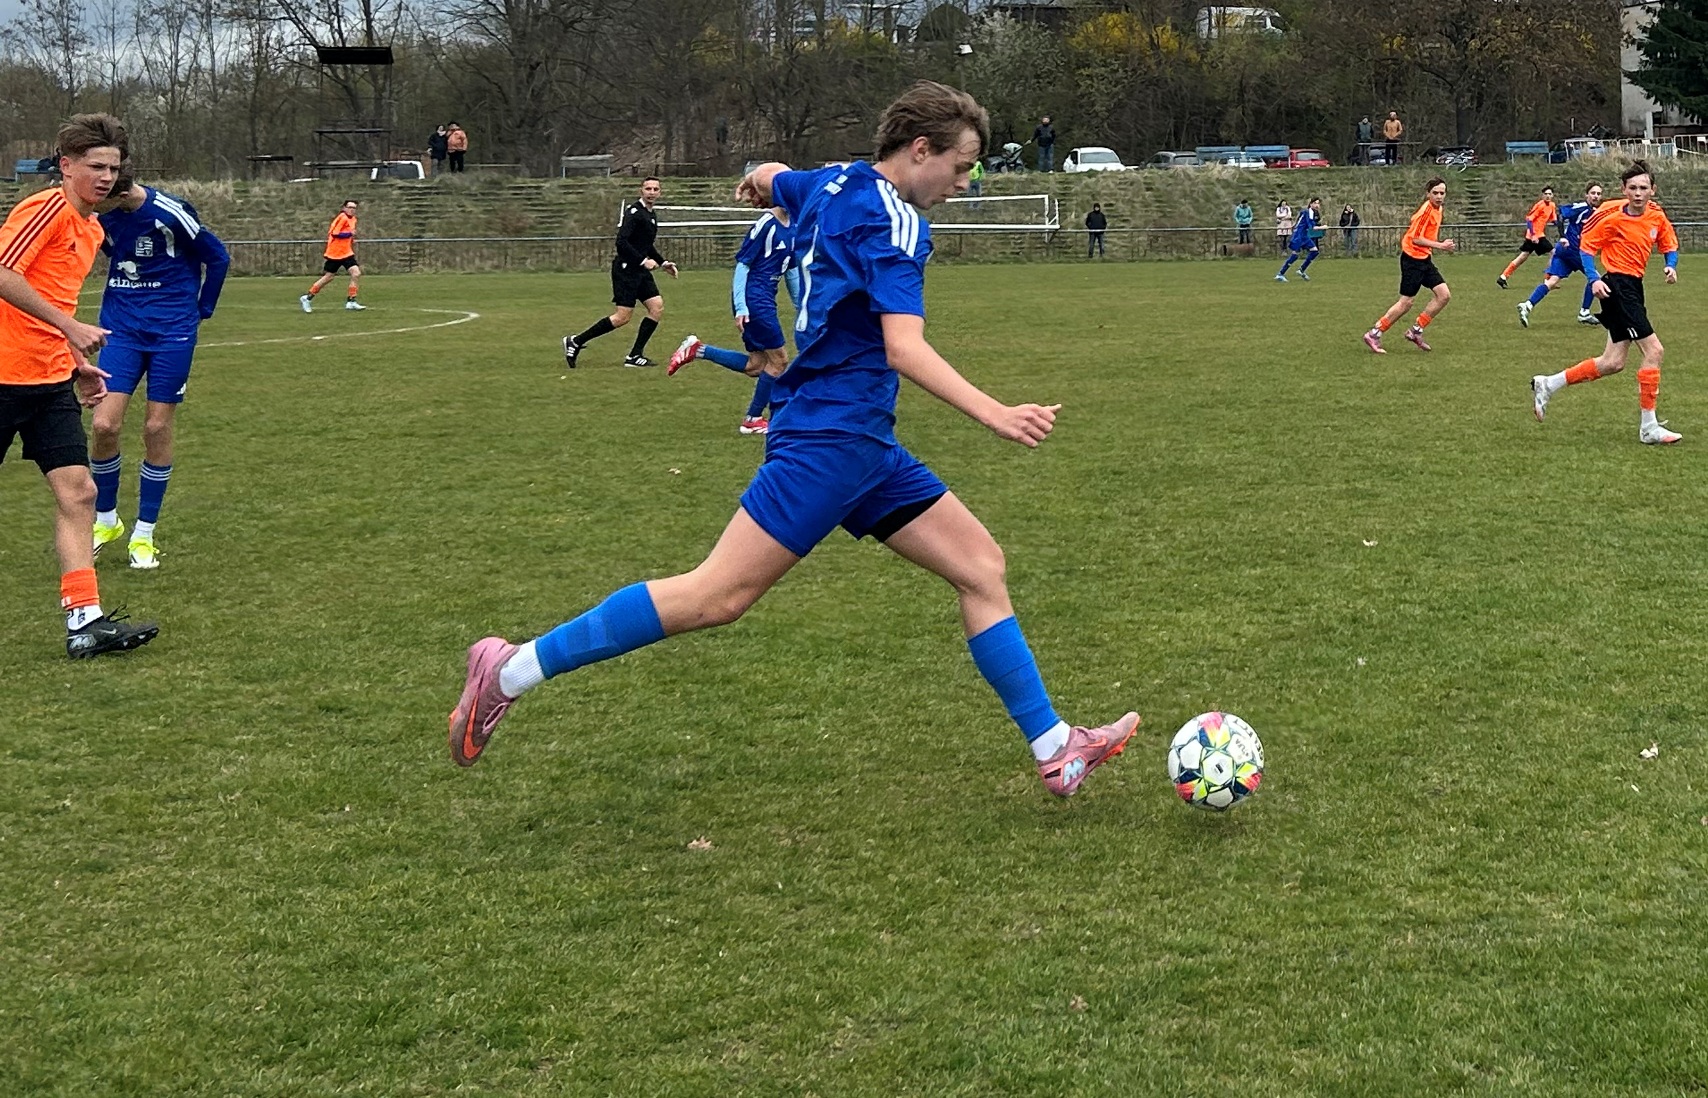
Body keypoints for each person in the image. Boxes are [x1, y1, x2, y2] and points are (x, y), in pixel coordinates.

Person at [449, 80, 1138, 798]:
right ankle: (508, 671)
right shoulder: (897, 225)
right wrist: (995, 413)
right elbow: (903, 347)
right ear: (920, 149)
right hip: (830, 443)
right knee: (715, 595)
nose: (964, 183)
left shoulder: (829, 184)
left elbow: (774, 174)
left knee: (980, 567)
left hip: (862, 444)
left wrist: (758, 179)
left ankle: (1056, 748)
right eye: (960, 167)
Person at [0, 113, 158, 658]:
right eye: (95, 166)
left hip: (47, 384)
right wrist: (70, 328)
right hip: (2, 377)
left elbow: (55, 301)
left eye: (113, 167)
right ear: (66, 166)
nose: (106, 177)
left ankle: (84, 623)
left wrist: (75, 363)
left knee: (80, 492)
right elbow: (3, 273)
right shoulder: (44, 209)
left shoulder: (91, 230)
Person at [88, 170, 229, 571]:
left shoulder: (170, 212)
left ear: (120, 195)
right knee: (104, 425)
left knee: (155, 427)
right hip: (122, 329)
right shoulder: (103, 215)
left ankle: (144, 534)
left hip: (171, 332)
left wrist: (203, 308)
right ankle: (106, 521)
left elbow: (217, 256)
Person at [1530, 162, 1680, 444]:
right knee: (1654, 350)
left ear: (1653, 190)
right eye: (1632, 188)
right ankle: (1649, 427)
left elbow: (1669, 244)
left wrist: (1671, 265)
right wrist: (1593, 279)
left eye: (1643, 188)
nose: (1638, 193)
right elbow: (1587, 248)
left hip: (1633, 286)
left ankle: (1548, 384)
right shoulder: (1611, 216)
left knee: (1613, 362)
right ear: (1624, 190)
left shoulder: (1656, 215)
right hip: (1617, 286)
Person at [665, 205, 801, 434]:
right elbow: (743, 264)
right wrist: (741, 306)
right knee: (779, 360)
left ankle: (698, 350)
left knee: (757, 365)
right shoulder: (766, 224)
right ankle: (753, 419)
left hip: (766, 298)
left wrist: (802, 306)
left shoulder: (795, 225)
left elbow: (791, 270)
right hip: (754, 300)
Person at [562, 177, 679, 368]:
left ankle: (635, 355)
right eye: (648, 188)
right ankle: (576, 341)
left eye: (655, 189)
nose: (651, 192)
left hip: (639, 270)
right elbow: (621, 242)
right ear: (641, 191)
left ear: (660, 192)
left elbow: (646, 245)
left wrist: (663, 262)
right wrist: (643, 261)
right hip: (626, 270)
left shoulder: (650, 214)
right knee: (622, 317)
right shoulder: (634, 213)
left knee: (656, 307)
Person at [1362, 176, 1455, 354]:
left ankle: (1415, 331)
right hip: (1412, 260)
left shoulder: (1439, 208)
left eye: (1442, 193)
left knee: (1444, 295)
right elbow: (1416, 239)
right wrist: (1441, 246)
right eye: (1435, 193)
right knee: (1406, 303)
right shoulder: (1425, 212)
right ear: (1428, 194)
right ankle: (1374, 333)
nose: (1439, 196)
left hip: (1424, 259)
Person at [1518, 182, 1604, 328]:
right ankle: (1584, 312)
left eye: (1598, 194)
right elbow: (1560, 215)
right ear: (1586, 195)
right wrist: (1563, 236)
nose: (1596, 196)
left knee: (1552, 282)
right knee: (1595, 278)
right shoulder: (1581, 207)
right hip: (1574, 250)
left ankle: (1527, 305)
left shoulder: (1595, 211)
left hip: (1565, 251)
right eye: (1593, 193)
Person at [298, 199, 364, 312]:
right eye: (350, 207)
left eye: (354, 208)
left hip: (346, 252)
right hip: (335, 253)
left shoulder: (353, 219)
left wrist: (351, 239)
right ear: (344, 208)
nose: (352, 210)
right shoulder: (342, 218)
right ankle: (307, 297)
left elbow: (348, 234)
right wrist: (349, 234)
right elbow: (335, 233)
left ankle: (351, 301)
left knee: (356, 273)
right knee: (328, 277)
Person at [1498, 186, 1557, 288]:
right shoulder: (1539, 205)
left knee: (1522, 257)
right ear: (1542, 195)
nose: (1548, 196)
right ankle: (1548, 280)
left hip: (1538, 235)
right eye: (1546, 194)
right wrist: (1533, 235)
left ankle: (1503, 277)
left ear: (1552, 195)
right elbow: (1529, 220)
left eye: (1549, 194)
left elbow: (1553, 219)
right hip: (1535, 236)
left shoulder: (1552, 205)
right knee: (1553, 253)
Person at [1276, 196, 1321, 281]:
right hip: (1299, 235)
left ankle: (1301, 270)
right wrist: (1323, 227)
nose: (1317, 205)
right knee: (1295, 255)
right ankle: (1280, 274)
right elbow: (1312, 227)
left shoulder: (1309, 212)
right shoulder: (1308, 212)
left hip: (1304, 235)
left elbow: (1299, 220)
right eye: (1315, 203)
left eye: (1318, 203)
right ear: (1311, 204)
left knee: (1315, 251)